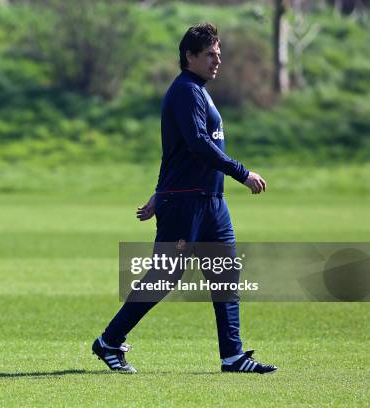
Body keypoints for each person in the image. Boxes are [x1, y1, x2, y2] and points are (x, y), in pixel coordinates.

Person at [91, 23, 277, 374]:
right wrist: (242, 173)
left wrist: (158, 193)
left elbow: (176, 153)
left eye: (219, 55)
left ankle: (233, 356)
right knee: (164, 277)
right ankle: (109, 342)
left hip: (210, 203)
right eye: (210, 55)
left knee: (225, 276)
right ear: (189, 56)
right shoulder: (185, 91)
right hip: (186, 205)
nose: (217, 61)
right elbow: (196, 144)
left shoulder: (200, 91)